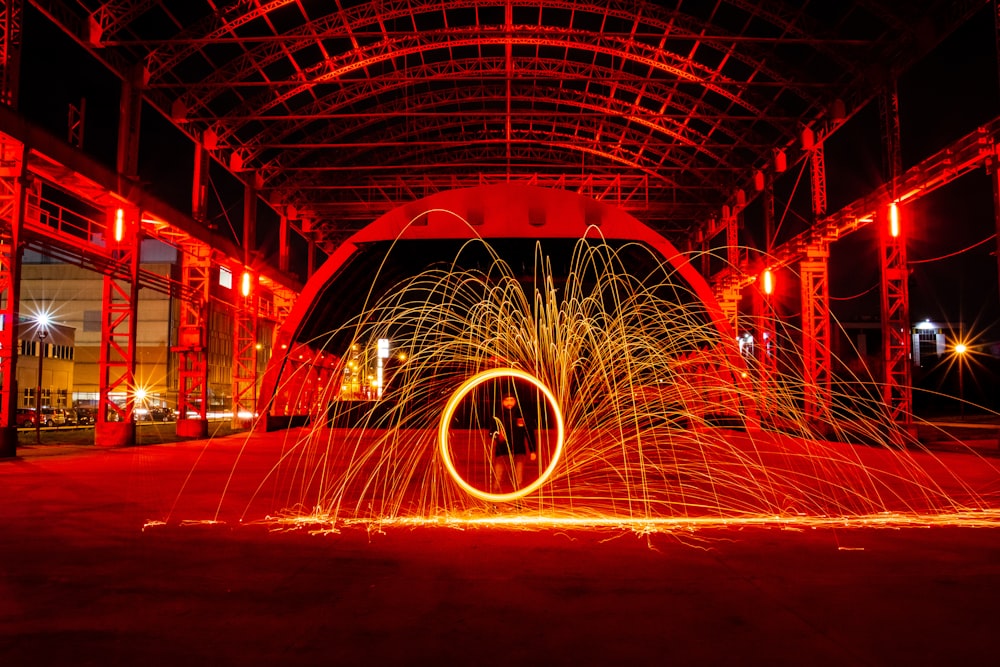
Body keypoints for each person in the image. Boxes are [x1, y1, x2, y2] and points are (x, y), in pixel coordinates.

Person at [492, 393, 536, 492]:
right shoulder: (498, 416)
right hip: (502, 452)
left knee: (518, 479)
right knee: (498, 477)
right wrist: (497, 435)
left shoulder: (521, 415)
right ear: (503, 402)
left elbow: (529, 433)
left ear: (515, 401)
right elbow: (491, 432)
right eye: (506, 400)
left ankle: (518, 503)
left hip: (519, 451)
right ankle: (494, 503)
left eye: (511, 400)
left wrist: (533, 450)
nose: (509, 403)